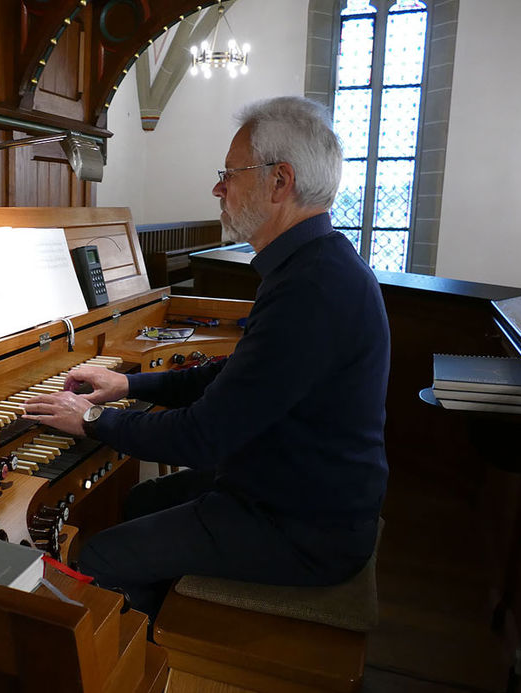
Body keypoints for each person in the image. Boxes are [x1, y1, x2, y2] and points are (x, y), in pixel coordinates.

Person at [23, 96, 390, 623]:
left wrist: (93, 418)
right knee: (143, 503)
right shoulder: (313, 264)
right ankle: (165, 629)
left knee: (99, 557)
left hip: (306, 527)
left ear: (279, 181)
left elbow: (203, 437)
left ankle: (154, 663)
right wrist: (130, 388)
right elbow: (235, 376)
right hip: (292, 490)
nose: (219, 187)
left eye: (231, 173)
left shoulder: (312, 287)